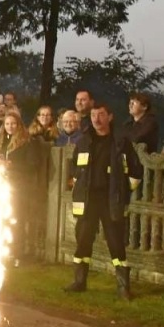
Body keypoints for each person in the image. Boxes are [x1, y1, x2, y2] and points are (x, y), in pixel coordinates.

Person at [65, 101, 145, 299]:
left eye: (100, 115)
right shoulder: (83, 141)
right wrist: (75, 184)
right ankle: (79, 281)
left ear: (109, 117)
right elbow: (74, 169)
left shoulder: (120, 142)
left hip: (111, 200)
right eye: (93, 115)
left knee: (115, 241)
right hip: (87, 199)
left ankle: (123, 286)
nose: (96, 119)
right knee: (83, 239)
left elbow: (136, 170)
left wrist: (124, 191)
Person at [0, 110, 41, 267]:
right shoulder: (1, 141)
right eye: (7, 123)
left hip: (19, 188)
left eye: (13, 123)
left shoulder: (26, 142)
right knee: (2, 220)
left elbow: (33, 165)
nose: (10, 126)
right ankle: (3, 249)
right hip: (1, 185)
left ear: (19, 125)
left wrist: (12, 165)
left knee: (16, 220)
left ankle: (16, 252)